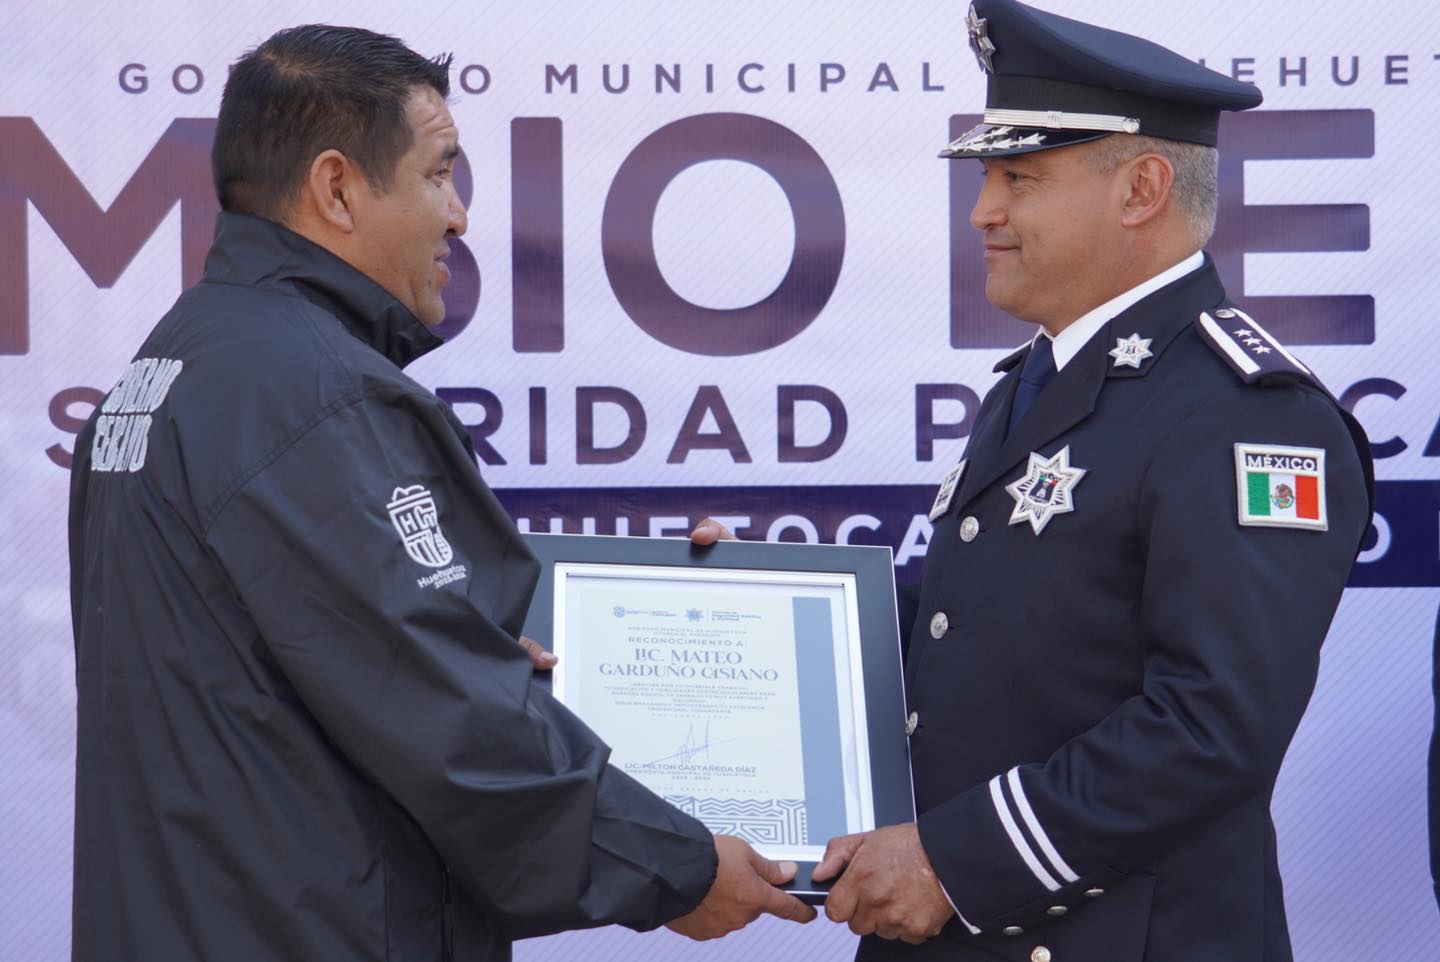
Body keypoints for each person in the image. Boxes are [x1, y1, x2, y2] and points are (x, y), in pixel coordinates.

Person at [68, 24, 814, 962]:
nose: (459, 215)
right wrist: (673, 863)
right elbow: (440, 705)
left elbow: (324, 656)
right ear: (337, 188)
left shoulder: (179, 364)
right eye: (438, 174)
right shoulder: (310, 394)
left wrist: (524, 633)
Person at [693, 1, 1372, 959]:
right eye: (987, 178)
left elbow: (1211, 726)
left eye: (1019, 177)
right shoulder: (1046, 379)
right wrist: (752, 610)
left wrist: (952, 863)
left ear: (1140, 188)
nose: (983, 212)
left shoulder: (1246, 413)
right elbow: (975, 630)